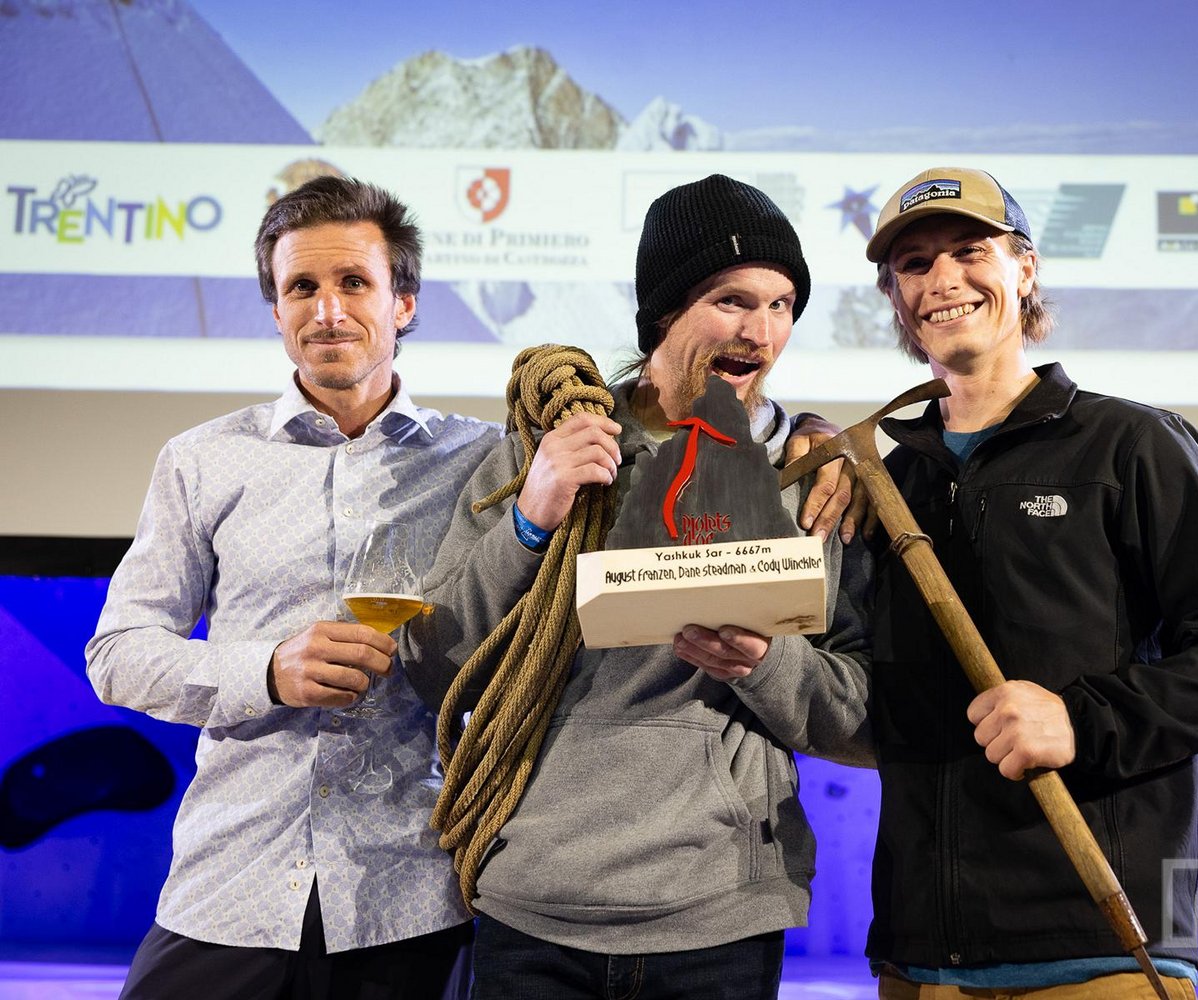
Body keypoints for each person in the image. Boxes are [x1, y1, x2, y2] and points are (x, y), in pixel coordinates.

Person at [403, 174, 873, 1000]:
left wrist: (767, 664)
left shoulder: (819, 478)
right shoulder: (547, 451)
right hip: (534, 910)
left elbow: (862, 716)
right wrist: (530, 521)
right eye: (731, 301)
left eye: (782, 305)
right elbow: (433, 665)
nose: (762, 331)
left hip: (720, 918)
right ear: (662, 312)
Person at [860, 167, 1198, 999]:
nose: (942, 280)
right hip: (920, 965)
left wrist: (1083, 720)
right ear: (895, 297)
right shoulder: (889, 486)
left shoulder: (1130, 445)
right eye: (914, 265)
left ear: (1025, 268)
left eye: (969, 252)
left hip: (1103, 958)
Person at [84, 176, 502, 998]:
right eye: (301, 287)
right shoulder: (202, 459)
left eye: (354, 282)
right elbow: (118, 654)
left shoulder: (483, 462)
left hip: (408, 893)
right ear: (276, 311)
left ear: (404, 303)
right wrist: (266, 670)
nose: (327, 310)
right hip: (231, 882)